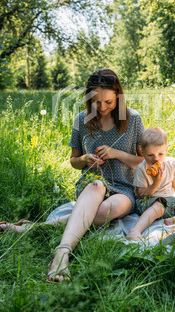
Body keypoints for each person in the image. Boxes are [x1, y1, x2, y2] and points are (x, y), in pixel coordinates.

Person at [1, 68, 145, 282]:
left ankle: (33, 228)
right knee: (97, 186)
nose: (103, 107)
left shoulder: (133, 119)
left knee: (107, 210)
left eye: (108, 102)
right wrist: (85, 160)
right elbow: (73, 161)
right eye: (97, 102)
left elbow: (145, 162)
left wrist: (118, 153)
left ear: (118, 96)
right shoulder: (82, 120)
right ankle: (62, 253)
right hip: (91, 184)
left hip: (123, 188)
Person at [126, 127, 175, 241]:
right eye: (150, 155)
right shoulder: (141, 169)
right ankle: (135, 231)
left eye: (160, 154)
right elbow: (141, 195)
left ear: (166, 149)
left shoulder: (171, 163)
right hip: (148, 202)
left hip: (168, 200)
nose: (156, 159)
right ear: (142, 152)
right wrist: (155, 184)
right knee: (159, 205)